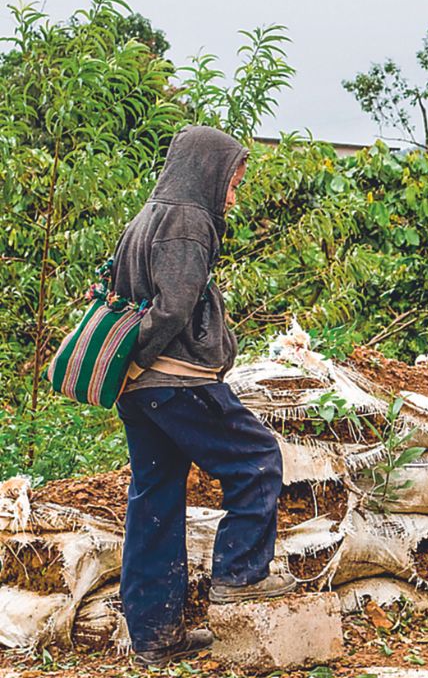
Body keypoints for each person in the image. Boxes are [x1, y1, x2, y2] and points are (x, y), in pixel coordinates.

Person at [112, 126, 296, 666]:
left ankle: (154, 636)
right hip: (177, 380)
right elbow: (171, 310)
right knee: (258, 461)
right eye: (233, 179)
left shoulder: (145, 217)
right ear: (209, 172)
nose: (234, 193)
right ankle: (239, 577)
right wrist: (146, 357)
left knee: (156, 499)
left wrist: (131, 367)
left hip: (140, 391)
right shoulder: (189, 221)